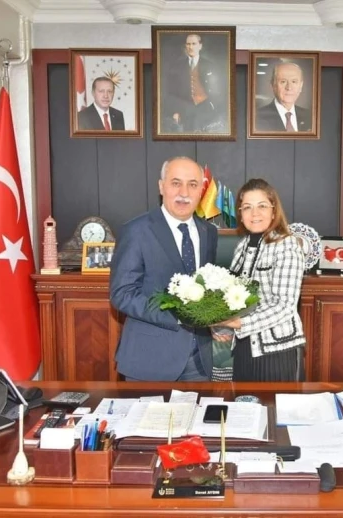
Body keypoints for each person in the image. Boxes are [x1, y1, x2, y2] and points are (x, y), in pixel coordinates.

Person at [110, 157, 218, 381]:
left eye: (192, 184)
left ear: (201, 190)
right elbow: (122, 294)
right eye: (176, 183)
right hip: (149, 362)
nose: (184, 192)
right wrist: (178, 316)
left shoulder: (208, 231)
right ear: (161, 186)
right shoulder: (136, 230)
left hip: (199, 363)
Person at [212, 178, 306, 382]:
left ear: (274, 211)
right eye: (247, 207)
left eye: (262, 206)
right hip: (243, 347)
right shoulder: (242, 247)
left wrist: (238, 323)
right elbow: (232, 298)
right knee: (243, 402)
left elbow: (284, 306)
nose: (254, 213)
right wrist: (219, 324)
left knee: (272, 403)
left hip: (276, 350)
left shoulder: (287, 245)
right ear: (240, 214)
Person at [163, 33, 224, 133]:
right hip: (184, 108)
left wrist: (212, 106)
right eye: (188, 44)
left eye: (194, 44)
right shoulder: (177, 66)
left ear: (200, 46)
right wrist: (175, 111)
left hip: (206, 107)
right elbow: (171, 93)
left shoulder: (210, 65)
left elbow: (218, 92)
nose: (190, 47)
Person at [255, 62, 312, 132]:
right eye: (283, 81)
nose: (289, 87)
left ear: (301, 86)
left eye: (294, 81)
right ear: (273, 85)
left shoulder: (309, 116)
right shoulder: (257, 116)